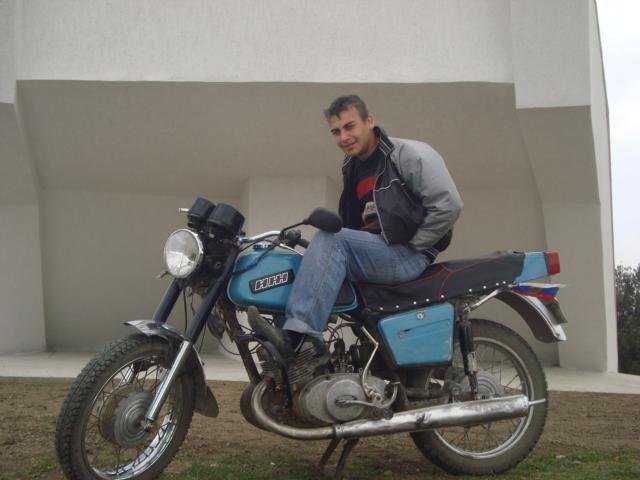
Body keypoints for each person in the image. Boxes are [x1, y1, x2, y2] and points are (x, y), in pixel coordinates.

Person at [249, 94, 463, 363]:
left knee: (331, 240)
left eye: (350, 126)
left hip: (406, 253)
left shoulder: (408, 154)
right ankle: (292, 350)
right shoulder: (352, 167)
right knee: (306, 259)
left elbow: (449, 205)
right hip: (377, 251)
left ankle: (301, 338)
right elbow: (353, 224)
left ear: (369, 121)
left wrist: (416, 245)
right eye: (336, 131)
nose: (344, 137)